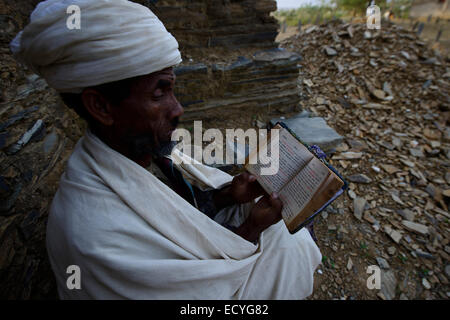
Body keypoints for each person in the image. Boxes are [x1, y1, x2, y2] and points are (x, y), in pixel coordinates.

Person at [11, 0, 322, 299]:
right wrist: (252, 228)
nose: (178, 109)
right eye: (159, 93)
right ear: (101, 106)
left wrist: (227, 195)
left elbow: (180, 213)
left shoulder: (143, 153)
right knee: (288, 244)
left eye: (172, 89)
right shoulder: (94, 236)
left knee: (284, 234)